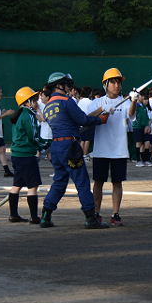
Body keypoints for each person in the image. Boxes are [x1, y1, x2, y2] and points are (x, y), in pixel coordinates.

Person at [39, 72, 110, 229]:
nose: (69, 88)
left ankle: (45, 216)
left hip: (56, 148)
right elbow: (82, 120)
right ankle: (90, 218)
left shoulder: (48, 105)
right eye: (66, 85)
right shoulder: (67, 101)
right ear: (59, 85)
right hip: (70, 147)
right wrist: (101, 119)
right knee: (82, 181)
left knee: (59, 182)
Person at [89, 68, 137, 226]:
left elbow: (131, 115)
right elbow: (87, 118)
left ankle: (115, 214)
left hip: (119, 150)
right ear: (105, 84)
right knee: (98, 182)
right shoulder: (97, 102)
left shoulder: (126, 101)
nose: (116, 85)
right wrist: (102, 110)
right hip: (101, 150)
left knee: (117, 182)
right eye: (113, 82)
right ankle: (96, 212)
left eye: (119, 82)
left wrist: (135, 100)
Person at [8, 87, 50, 224]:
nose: (37, 102)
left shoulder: (20, 115)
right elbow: (33, 136)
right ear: (27, 102)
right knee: (33, 186)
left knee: (17, 185)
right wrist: (45, 144)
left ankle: (13, 215)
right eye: (34, 99)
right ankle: (34, 217)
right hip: (26, 155)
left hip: (17, 155)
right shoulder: (28, 115)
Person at [132, 90, 152, 167]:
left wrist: (147, 126)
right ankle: (138, 161)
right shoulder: (135, 106)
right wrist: (144, 126)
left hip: (144, 127)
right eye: (142, 96)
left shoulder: (144, 106)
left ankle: (146, 160)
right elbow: (137, 118)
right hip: (138, 127)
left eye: (144, 96)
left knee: (147, 143)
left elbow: (147, 117)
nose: (143, 97)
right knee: (139, 144)